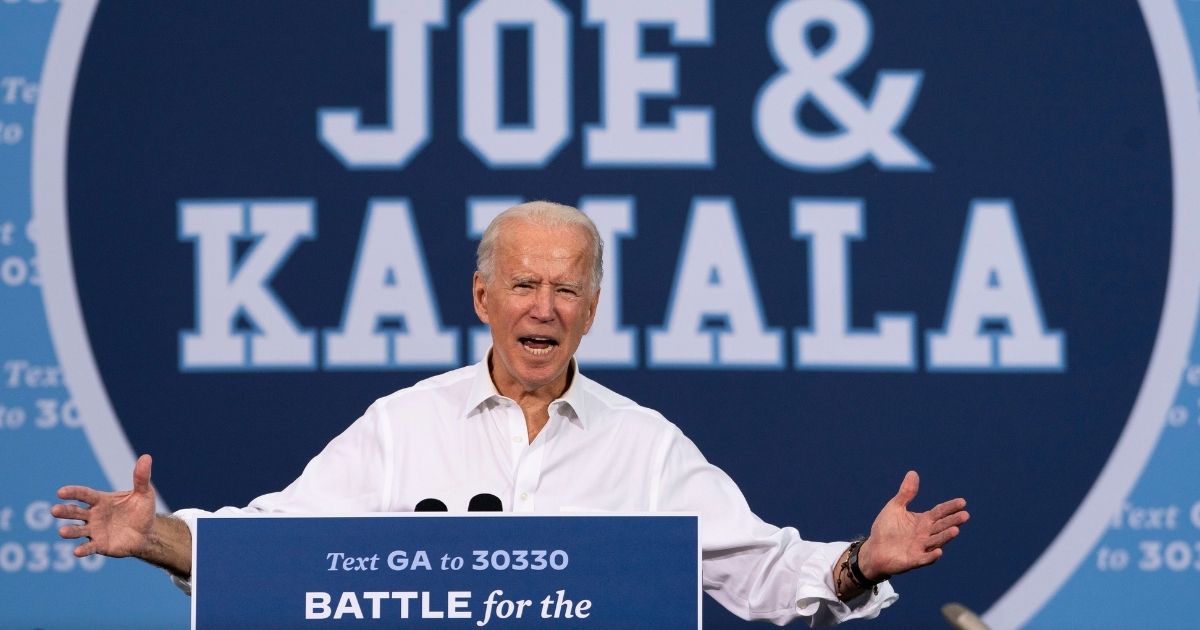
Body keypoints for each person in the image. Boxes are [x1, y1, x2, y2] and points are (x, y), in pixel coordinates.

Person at [53, 201, 969, 626]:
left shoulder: (644, 447)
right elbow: (272, 546)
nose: (545, 308)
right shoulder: (403, 424)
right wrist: (156, 535)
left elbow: (762, 570)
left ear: (594, 309)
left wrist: (858, 562)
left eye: (567, 289)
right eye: (524, 285)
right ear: (482, 298)